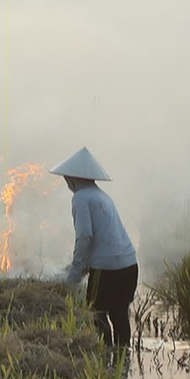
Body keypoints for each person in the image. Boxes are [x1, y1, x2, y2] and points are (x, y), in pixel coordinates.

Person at [53, 146, 138, 349]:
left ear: (74, 178)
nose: (66, 183)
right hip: (129, 266)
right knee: (119, 314)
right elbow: (103, 237)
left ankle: (105, 358)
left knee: (95, 313)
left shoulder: (81, 198)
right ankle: (122, 361)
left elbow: (84, 236)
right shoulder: (102, 197)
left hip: (108, 270)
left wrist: (74, 272)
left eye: (66, 178)